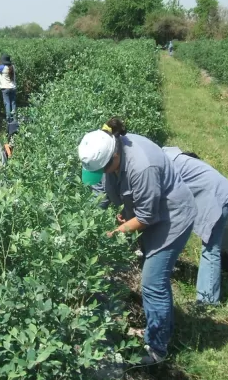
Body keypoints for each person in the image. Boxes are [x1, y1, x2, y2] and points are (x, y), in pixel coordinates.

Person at [78, 118, 197, 366]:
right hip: (150, 215)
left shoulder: (142, 166)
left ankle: (157, 350)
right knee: (152, 277)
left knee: (153, 281)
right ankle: (156, 328)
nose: (100, 176)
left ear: (114, 160)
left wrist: (116, 231)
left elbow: (146, 216)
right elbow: (102, 194)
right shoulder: (111, 152)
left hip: (171, 219)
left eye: (102, 170)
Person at [162, 147, 228, 305]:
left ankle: (208, 301)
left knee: (211, 248)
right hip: (215, 192)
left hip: (217, 197)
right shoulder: (165, 156)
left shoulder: (162, 165)